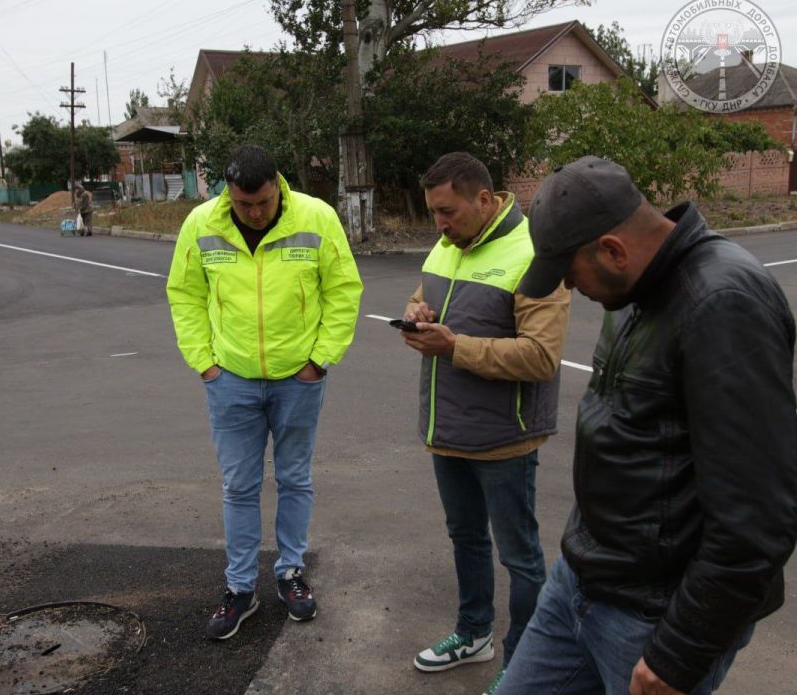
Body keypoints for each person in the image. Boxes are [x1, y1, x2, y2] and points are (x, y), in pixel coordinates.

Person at [497, 156, 797, 695]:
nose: (569, 287)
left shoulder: (722, 304)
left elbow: (758, 520)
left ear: (612, 249)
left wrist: (679, 653)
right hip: (580, 584)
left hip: (652, 617)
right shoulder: (633, 286)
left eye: (571, 274)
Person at [166, 145, 363, 640]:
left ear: (278, 184)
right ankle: (240, 588)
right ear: (228, 194)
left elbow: (343, 289)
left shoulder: (316, 218)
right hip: (230, 378)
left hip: (298, 377)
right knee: (239, 486)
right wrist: (204, 363)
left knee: (294, 477)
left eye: (263, 202)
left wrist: (320, 360)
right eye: (243, 204)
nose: (254, 212)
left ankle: (290, 573)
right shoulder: (201, 224)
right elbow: (184, 293)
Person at [399, 152, 570, 694]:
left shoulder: (530, 256)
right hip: (448, 428)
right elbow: (422, 297)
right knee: (465, 537)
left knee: (520, 555)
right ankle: (474, 633)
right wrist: (418, 315)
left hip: (505, 438)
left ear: (486, 200)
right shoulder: (448, 244)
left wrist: (454, 346)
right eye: (434, 214)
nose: (440, 225)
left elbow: (541, 357)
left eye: (447, 212)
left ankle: (525, 663)